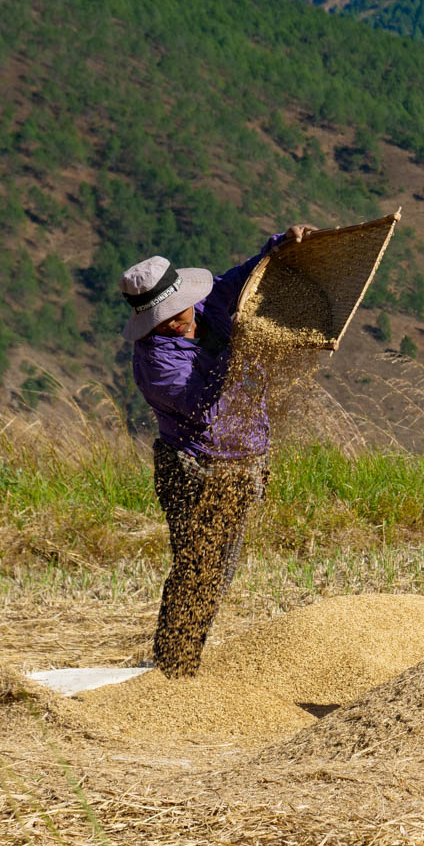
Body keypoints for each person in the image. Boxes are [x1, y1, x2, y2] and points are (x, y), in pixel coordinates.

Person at [119, 225, 313, 678]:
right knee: (197, 567)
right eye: (163, 318)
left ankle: (181, 660)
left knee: (220, 569)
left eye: (176, 310)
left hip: (241, 464)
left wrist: (279, 245)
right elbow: (205, 406)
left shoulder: (206, 306)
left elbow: (241, 280)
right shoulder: (156, 363)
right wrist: (243, 350)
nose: (175, 321)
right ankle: (175, 668)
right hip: (194, 471)